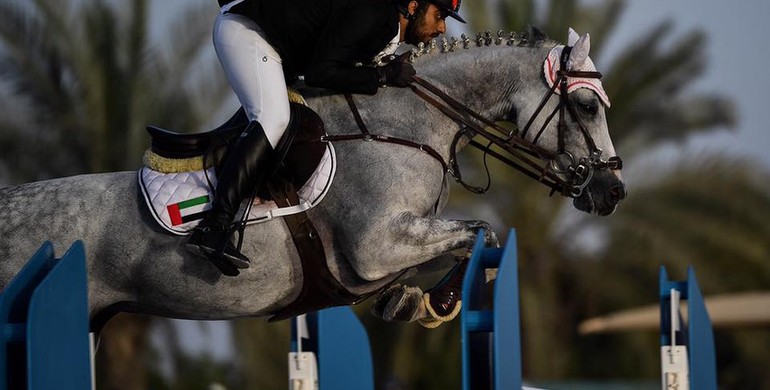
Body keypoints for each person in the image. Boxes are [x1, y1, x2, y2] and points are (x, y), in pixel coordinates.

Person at [186, 0, 466, 276]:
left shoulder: (386, 28)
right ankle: (214, 226)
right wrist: (381, 75)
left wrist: (383, 71)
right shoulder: (371, 12)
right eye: (440, 14)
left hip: (277, 50)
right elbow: (321, 72)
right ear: (414, 6)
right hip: (248, 34)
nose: (442, 28)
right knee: (273, 119)